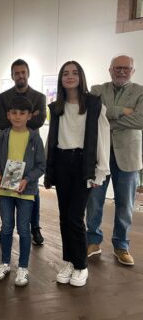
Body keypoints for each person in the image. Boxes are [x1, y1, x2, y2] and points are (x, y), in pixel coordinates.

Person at [45, 61, 110, 287]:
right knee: (64, 216)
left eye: (74, 73)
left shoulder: (94, 104)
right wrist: (49, 168)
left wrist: (99, 171)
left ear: (81, 76)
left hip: (83, 165)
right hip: (62, 162)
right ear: (61, 78)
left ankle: (81, 265)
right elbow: (51, 139)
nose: (70, 76)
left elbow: (102, 137)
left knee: (75, 216)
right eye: (65, 73)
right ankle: (70, 261)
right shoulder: (55, 107)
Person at [86, 55, 143, 266]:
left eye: (126, 68)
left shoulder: (140, 91)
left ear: (133, 71)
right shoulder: (97, 90)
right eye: (117, 68)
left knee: (125, 204)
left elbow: (141, 119)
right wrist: (122, 112)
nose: (121, 71)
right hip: (100, 155)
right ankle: (92, 240)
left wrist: (106, 119)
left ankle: (121, 246)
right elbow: (91, 114)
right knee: (94, 201)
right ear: (110, 70)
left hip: (128, 158)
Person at [0, 97, 45, 287]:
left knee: (24, 229)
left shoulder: (35, 138)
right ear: (8, 115)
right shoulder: (3, 135)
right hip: (5, 191)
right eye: (13, 112)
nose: (17, 116)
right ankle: (5, 263)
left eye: (22, 113)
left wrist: (27, 179)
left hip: (26, 192)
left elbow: (41, 166)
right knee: (6, 227)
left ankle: (23, 267)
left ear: (29, 116)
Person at [0, 59, 46, 246]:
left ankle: (35, 227)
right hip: (9, 149)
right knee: (7, 192)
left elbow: (39, 122)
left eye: (23, 72)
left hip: (30, 149)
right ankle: (5, 227)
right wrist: (26, 118)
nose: (20, 75)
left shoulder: (39, 96)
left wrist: (20, 122)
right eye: (16, 73)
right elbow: (0, 122)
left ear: (28, 73)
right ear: (12, 75)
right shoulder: (2, 97)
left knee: (31, 190)